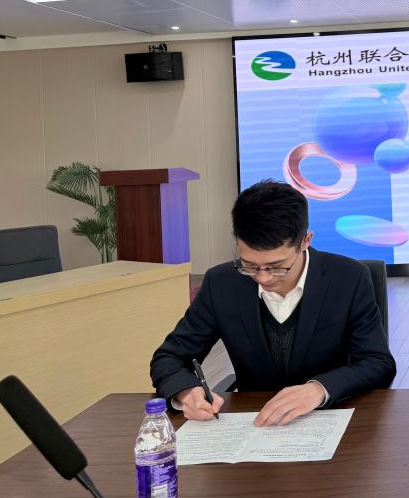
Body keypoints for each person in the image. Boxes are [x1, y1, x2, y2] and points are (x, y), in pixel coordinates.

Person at [150, 180, 395, 425]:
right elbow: (169, 357)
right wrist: (186, 393)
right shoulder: (222, 283)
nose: (263, 278)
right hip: (256, 424)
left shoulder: (348, 278)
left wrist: (319, 389)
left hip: (331, 419)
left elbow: (378, 362)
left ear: (305, 241)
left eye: (277, 266)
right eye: (249, 265)